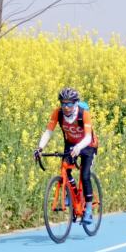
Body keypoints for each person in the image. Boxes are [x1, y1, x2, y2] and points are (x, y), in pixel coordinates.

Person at [34, 87, 98, 224]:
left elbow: (87, 137)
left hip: (87, 145)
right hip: (70, 143)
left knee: (85, 175)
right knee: (65, 169)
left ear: (75, 103)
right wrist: (39, 148)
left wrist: (79, 147)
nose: (66, 107)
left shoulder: (83, 114)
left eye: (69, 103)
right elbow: (49, 132)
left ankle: (88, 210)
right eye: (63, 103)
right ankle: (70, 193)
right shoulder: (58, 113)